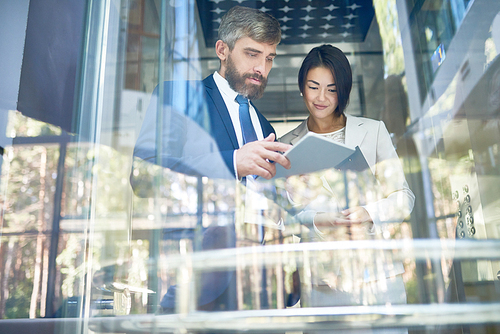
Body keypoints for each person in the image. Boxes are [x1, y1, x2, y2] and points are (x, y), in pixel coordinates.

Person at [279, 44, 415, 333]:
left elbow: (404, 197)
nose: (321, 98)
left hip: (379, 279)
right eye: (313, 87)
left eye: (332, 89)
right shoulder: (287, 144)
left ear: (344, 90)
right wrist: (318, 219)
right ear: (301, 87)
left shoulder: (373, 131)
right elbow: (286, 216)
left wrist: (369, 212)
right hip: (323, 286)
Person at [132, 6, 291, 182]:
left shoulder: (266, 129)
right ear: (222, 50)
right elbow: (144, 176)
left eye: (269, 59)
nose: (262, 68)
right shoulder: (178, 98)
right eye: (252, 54)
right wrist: (232, 163)